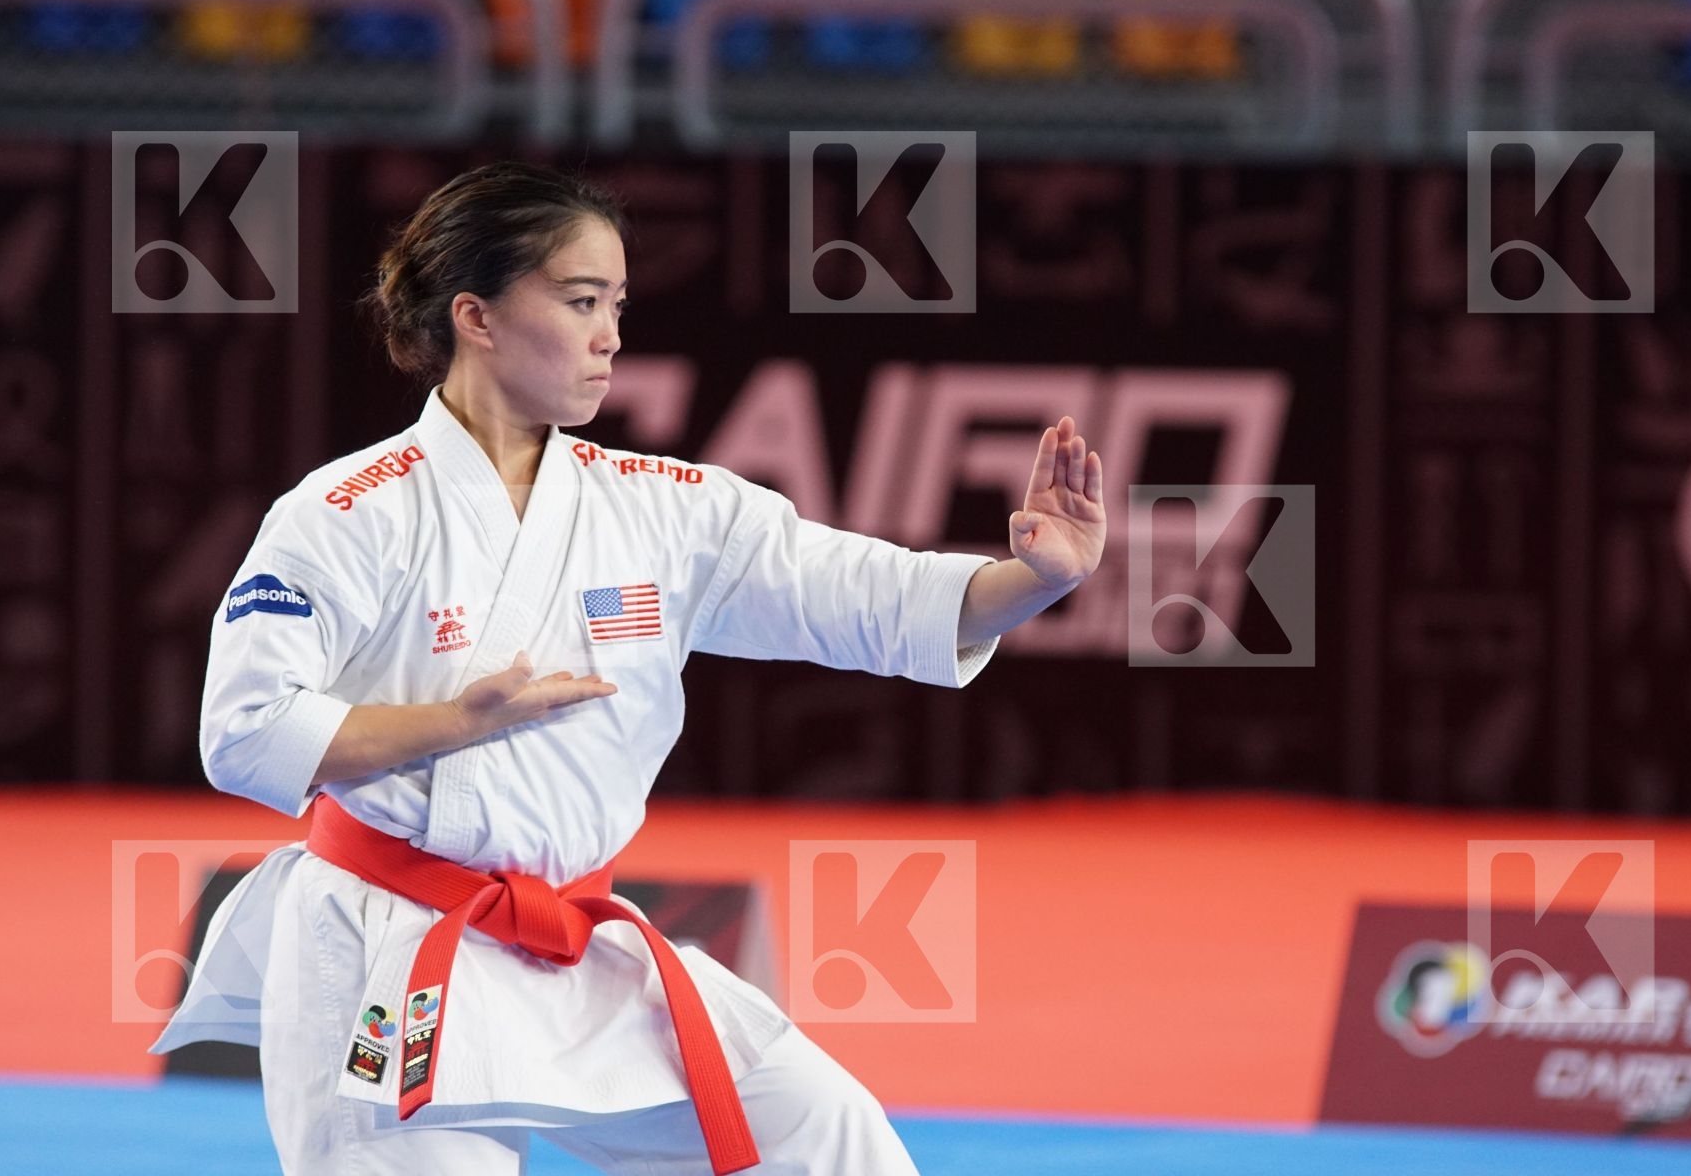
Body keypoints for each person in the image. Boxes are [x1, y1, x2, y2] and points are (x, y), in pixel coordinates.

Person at [150, 160, 1107, 1174]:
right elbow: (245, 730)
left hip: (573, 939)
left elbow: (859, 597)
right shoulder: (346, 512)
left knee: (823, 1133)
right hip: (387, 951)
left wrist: (1031, 582)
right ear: (476, 316)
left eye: (615, 303)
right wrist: (455, 724)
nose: (610, 334)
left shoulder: (662, 507)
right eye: (579, 302)